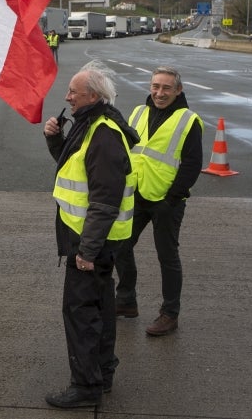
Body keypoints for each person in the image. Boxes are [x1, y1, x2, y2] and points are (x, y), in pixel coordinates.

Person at [42, 60, 138, 408]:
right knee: (100, 307)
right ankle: (102, 373)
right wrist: (56, 140)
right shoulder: (93, 124)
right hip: (92, 240)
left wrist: (86, 250)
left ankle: (86, 387)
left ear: (93, 96)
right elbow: (73, 169)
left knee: (81, 313)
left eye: (73, 92)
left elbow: (104, 201)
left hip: (90, 242)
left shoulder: (104, 135)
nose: (67, 97)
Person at [114, 66, 203, 337]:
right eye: (155, 86)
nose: (159, 93)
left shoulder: (188, 120)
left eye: (166, 88)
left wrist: (172, 198)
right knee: (120, 246)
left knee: (167, 257)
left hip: (167, 200)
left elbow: (192, 164)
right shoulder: (139, 112)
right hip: (137, 195)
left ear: (178, 91)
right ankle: (127, 300)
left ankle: (169, 314)